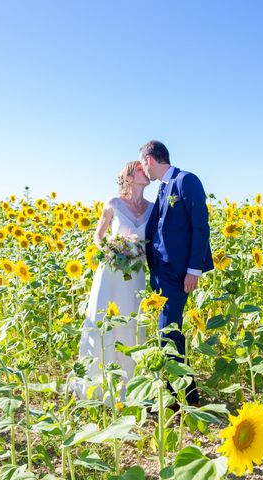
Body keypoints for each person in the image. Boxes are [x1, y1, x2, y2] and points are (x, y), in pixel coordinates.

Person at [140, 140, 213, 405]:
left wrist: (194, 269)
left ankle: (171, 397)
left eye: (142, 163)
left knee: (167, 331)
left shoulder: (186, 180)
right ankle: (188, 391)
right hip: (160, 270)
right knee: (170, 331)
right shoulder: (162, 188)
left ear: (150, 160)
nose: (143, 170)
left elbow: (200, 226)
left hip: (179, 272)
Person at [75, 161, 153, 400]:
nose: (145, 171)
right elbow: (98, 236)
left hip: (136, 273)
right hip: (111, 270)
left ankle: (131, 388)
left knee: (132, 320)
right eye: (139, 169)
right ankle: (98, 387)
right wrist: (110, 248)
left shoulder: (153, 207)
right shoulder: (114, 203)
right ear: (128, 177)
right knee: (105, 320)